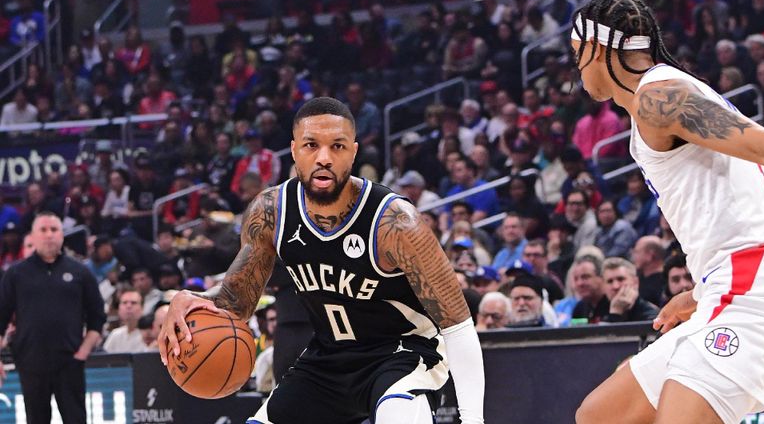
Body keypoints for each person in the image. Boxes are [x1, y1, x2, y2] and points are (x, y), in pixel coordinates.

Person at [158, 97, 484, 424]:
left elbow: (458, 326)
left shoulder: (396, 222)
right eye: (311, 145)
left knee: (398, 413)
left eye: (337, 146)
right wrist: (191, 300)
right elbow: (236, 303)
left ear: (354, 152)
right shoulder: (271, 212)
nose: (324, 158)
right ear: (294, 150)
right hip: (328, 357)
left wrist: (474, 421)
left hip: (401, 352)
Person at [572, 0, 764, 424]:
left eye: (576, 53)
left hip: (754, 288)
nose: (576, 68)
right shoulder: (685, 96)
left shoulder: (659, 99)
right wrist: (699, 293)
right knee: (601, 416)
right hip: (742, 282)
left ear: (596, 50)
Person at [0, 213, 106, 424]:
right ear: (33, 235)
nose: (49, 235)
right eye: (43, 230)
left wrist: (83, 352)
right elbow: (1, 318)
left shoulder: (80, 272)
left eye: (54, 230)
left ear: (62, 235)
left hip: (70, 362)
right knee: (36, 419)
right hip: (30, 362)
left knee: (76, 419)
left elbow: (97, 317)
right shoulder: (16, 273)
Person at [103, 288, 149, 352]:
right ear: (119, 308)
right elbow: (105, 358)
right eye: (124, 303)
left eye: (133, 303)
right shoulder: (115, 334)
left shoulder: (149, 334)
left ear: (142, 308)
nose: (128, 306)